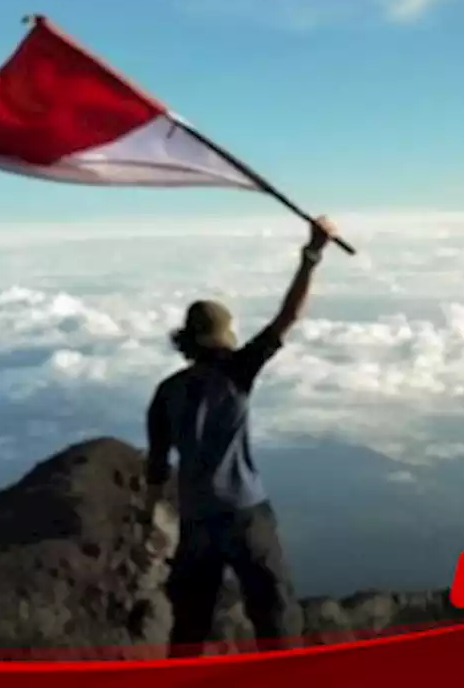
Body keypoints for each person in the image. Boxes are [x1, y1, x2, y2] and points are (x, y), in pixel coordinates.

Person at [142, 215, 338, 657]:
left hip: (196, 521)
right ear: (222, 338)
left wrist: (146, 524)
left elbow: (157, 468)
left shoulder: (166, 393)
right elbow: (288, 316)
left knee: (190, 625)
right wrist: (312, 255)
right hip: (245, 514)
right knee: (276, 616)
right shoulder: (237, 372)